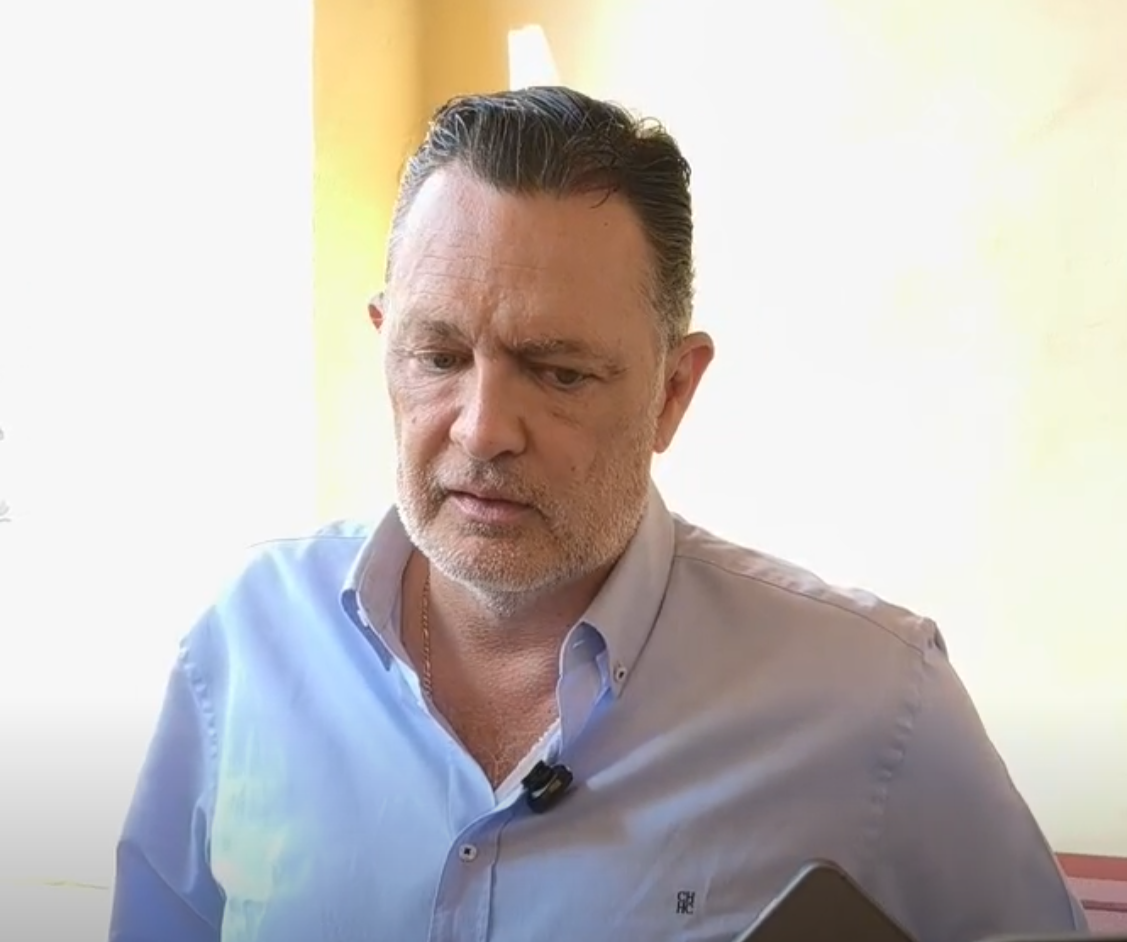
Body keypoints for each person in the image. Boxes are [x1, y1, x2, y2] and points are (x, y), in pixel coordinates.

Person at [108, 86, 1087, 942]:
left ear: (672, 391)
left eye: (559, 373)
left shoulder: (874, 702)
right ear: (382, 343)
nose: (482, 429)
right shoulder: (246, 643)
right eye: (438, 356)